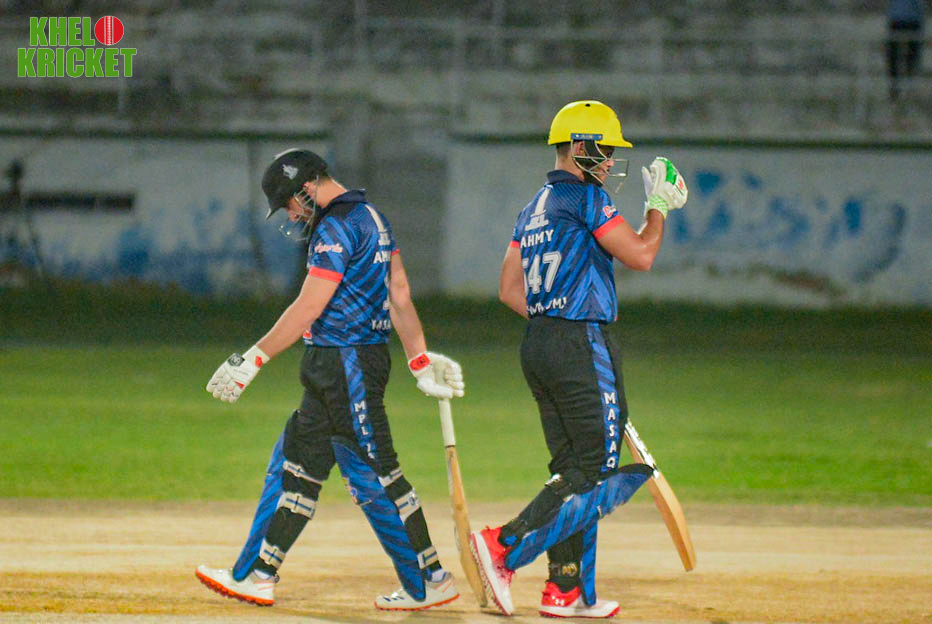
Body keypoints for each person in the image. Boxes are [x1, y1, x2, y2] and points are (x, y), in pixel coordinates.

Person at [195, 148, 466, 611]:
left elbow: (310, 305)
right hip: (336, 365)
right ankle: (257, 574)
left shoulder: (335, 226)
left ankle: (428, 580)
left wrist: (254, 358)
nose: (290, 214)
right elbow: (399, 293)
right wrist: (418, 360)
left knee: (375, 475)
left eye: (288, 202)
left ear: (306, 187)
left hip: (347, 365)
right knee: (295, 464)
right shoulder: (374, 218)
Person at [468, 100, 688, 618]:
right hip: (581, 340)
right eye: (605, 151)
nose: (610, 162)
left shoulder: (533, 207)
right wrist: (658, 207)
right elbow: (641, 255)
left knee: (571, 470)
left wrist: (552, 321)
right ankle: (504, 545)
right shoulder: (586, 198)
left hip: (539, 342)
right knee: (596, 471)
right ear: (581, 146)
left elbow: (508, 290)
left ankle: (566, 589)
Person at [886, 0, 927, 102]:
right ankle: (898, 88)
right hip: (905, 19)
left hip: (904, 19)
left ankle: (900, 88)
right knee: (900, 57)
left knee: (901, 57)